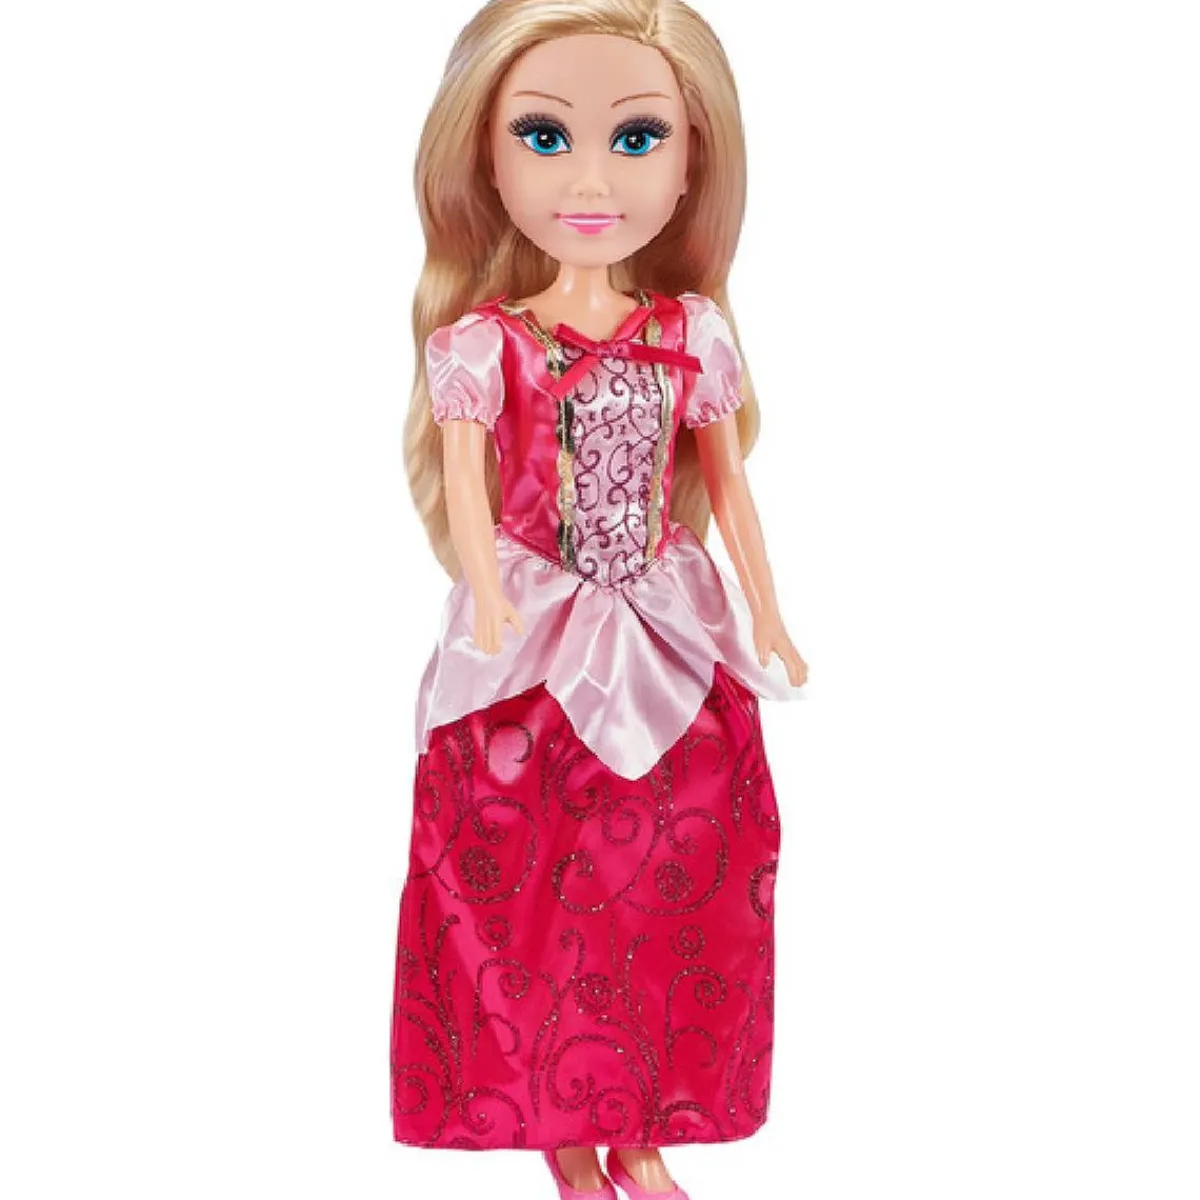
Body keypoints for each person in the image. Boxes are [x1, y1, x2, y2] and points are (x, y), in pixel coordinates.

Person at [392, 3, 808, 1197]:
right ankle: (562, 1130)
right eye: (543, 136)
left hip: (667, 625)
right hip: (533, 633)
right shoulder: (484, 344)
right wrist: (487, 600)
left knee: (679, 868)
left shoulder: (691, 334)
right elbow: (470, 491)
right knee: (531, 881)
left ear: (690, 164)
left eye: (635, 139)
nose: (590, 179)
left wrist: (766, 612)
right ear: (486, 160)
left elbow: (730, 486)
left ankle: (642, 1121)